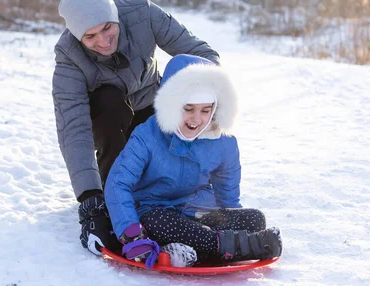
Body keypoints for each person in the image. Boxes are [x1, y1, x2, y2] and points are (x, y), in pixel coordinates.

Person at [53, 0, 220, 256]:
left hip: (150, 107)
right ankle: (114, 200)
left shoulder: (143, 14)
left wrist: (191, 100)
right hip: (108, 120)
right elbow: (73, 129)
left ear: (114, 14)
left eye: (107, 27)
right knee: (109, 102)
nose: (103, 42)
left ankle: (180, 196)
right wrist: (89, 201)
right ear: (77, 37)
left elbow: (204, 57)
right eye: (90, 37)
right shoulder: (68, 56)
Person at [104, 54, 283, 267]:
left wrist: (234, 223)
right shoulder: (147, 136)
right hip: (153, 212)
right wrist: (130, 233)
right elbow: (118, 183)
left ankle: (191, 249)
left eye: (205, 110)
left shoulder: (222, 141)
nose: (196, 119)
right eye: (188, 109)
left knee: (255, 219)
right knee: (158, 222)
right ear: (172, 104)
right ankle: (223, 247)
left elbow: (228, 193)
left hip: (196, 213)